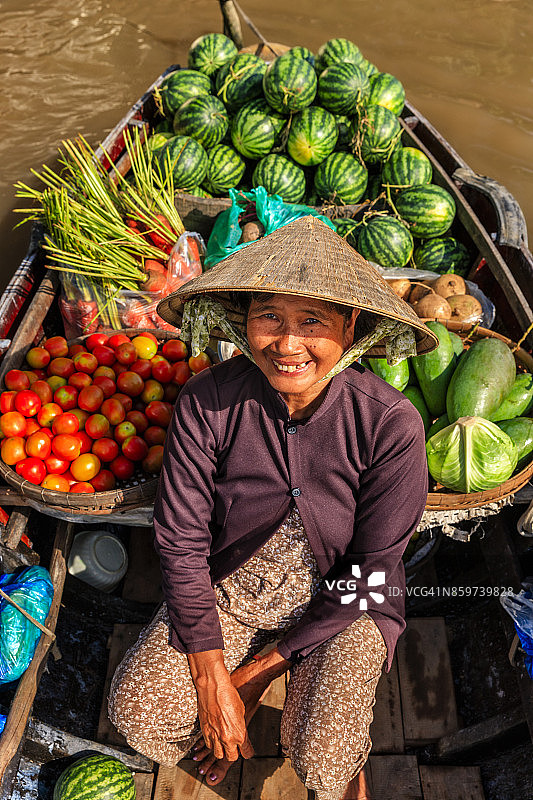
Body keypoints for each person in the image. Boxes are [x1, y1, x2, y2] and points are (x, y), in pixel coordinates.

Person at [108, 216, 437, 800]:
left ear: (350, 326)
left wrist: (256, 674)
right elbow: (180, 540)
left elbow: (372, 572)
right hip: (233, 592)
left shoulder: (391, 424)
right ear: (244, 321)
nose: (287, 344)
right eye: (269, 318)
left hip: (344, 605)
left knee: (324, 763)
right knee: (140, 716)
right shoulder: (208, 400)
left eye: (312, 321)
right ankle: (234, 708)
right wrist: (211, 673)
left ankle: (342, 749)